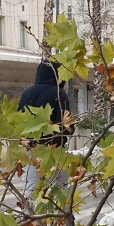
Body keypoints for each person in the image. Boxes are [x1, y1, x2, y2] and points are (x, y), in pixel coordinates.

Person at [17, 59, 71, 198]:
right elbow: (67, 127)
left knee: (32, 188)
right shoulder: (59, 94)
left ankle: (30, 218)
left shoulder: (26, 94)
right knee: (60, 191)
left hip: (32, 149)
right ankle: (60, 219)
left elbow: (18, 124)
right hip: (54, 151)